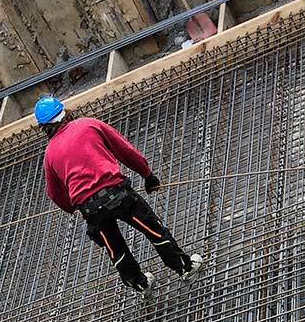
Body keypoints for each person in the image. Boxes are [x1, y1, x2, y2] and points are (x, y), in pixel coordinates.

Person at [36, 95, 203, 297]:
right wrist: (147, 175)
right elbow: (125, 150)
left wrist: (73, 206)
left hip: (92, 210)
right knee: (154, 231)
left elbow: (55, 194)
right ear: (64, 113)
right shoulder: (89, 125)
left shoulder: (50, 154)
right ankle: (185, 268)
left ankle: (141, 285)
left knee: (117, 251)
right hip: (119, 196)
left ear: (44, 127)